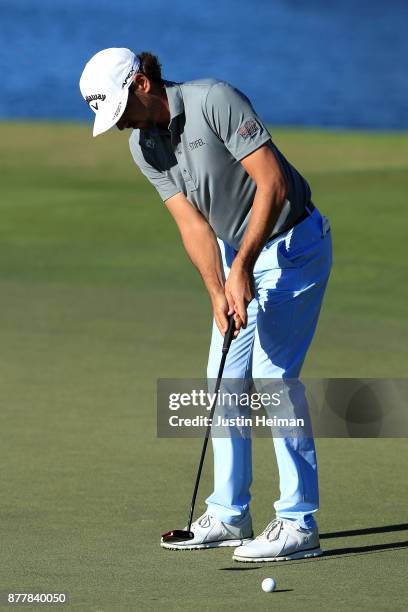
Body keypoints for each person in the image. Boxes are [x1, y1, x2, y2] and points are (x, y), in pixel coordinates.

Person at [79, 48, 332, 562]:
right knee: (223, 381)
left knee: (274, 378)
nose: (122, 122)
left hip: (292, 245)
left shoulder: (214, 100)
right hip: (235, 254)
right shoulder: (143, 147)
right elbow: (192, 225)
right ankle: (229, 513)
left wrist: (242, 269)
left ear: (142, 83)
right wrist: (218, 290)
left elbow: (273, 183)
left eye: (121, 108)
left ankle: (297, 522)